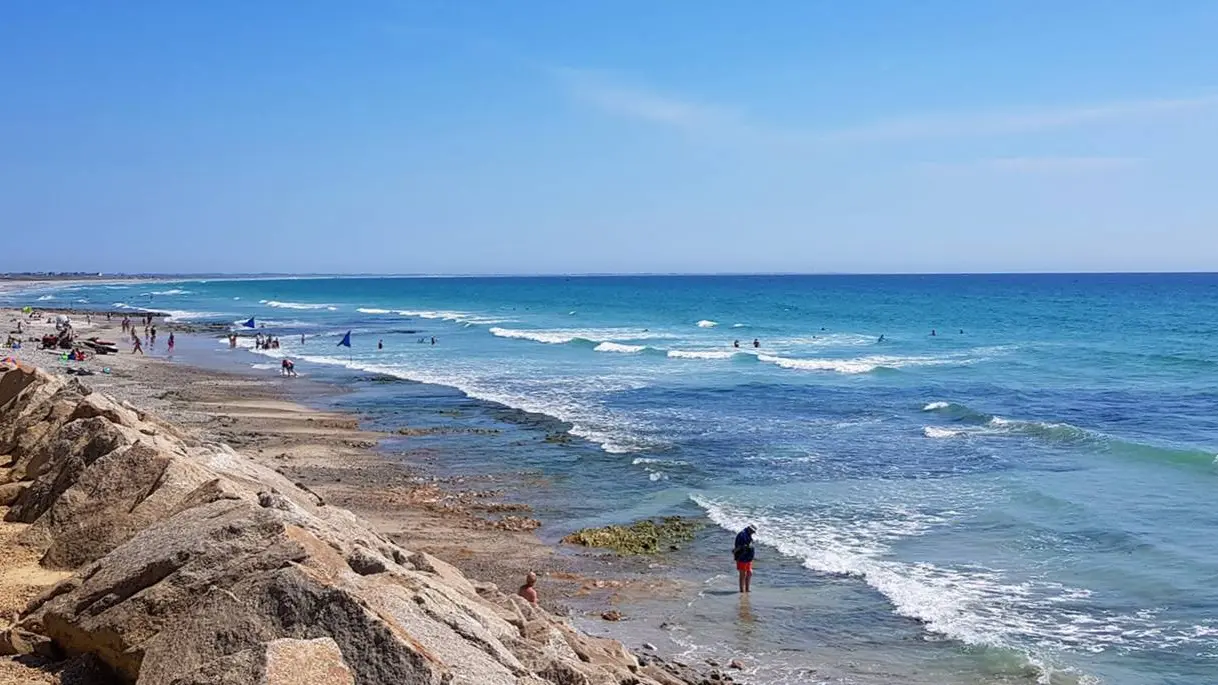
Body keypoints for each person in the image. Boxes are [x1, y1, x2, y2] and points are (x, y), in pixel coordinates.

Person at [733, 525, 757, 593]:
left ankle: (747, 588)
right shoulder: (742, 535)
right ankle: (742, 590)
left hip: (748, 557)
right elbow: (739, 546)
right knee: (743, 574)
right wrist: (735, 553)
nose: (753, 533)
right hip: (742, 557)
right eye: (752, 531)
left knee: (749, 572)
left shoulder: (748, 534)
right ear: (749, 529)